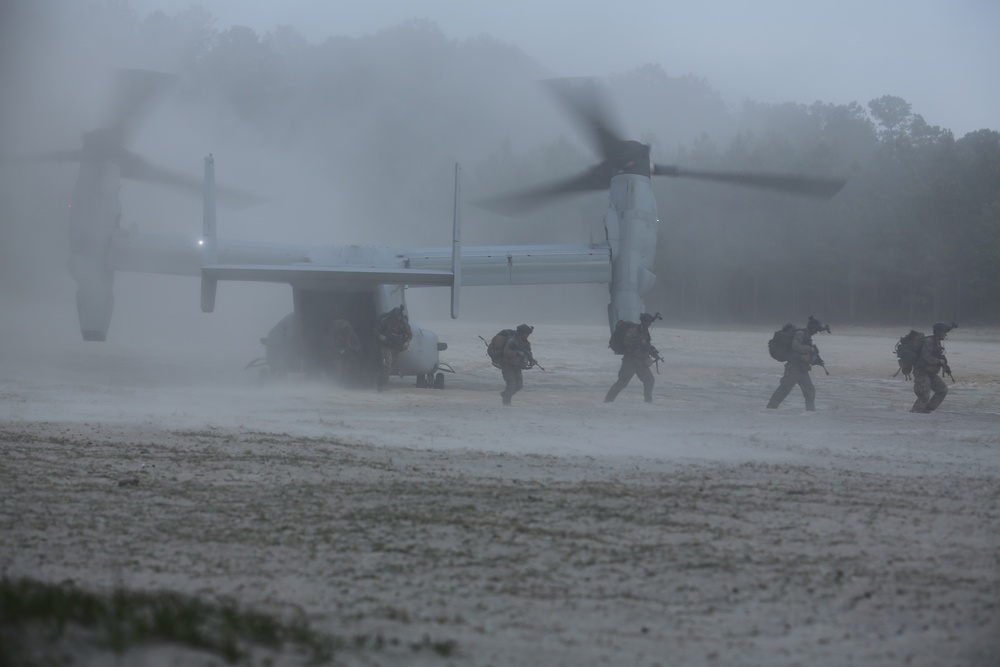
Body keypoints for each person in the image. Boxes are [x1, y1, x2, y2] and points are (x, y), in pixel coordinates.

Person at [766, 315, 825, 411]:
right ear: (811, 327)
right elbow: (795, 346)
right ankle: (769, 409)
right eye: (815, 330)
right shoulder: (800, 333)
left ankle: (810, 412)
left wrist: (815, 359)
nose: (816, 332)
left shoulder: (807, 337)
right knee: (784, 390)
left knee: (809, 391)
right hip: (793, 368)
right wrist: (809, 349)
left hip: (802, 369)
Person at [604, 312, 661, 404]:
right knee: (622, 383)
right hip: (630, 361)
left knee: (649, 380)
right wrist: (640, 343)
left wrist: (653, 351)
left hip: (640, 361)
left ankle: (648, 401)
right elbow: (626, 342)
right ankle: (608, 401)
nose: (650, 324)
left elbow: (646, 345)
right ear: (644, 322)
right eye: (648, 322)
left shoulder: (645, 332)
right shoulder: (634, 330)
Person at [911, 322, 955, 413]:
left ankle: (926, 412)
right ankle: (914, 414)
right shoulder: (929, 341)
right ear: (938, 332)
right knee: (924, 396)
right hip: (921, 372)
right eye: (944, 332)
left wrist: (944, 365)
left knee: (942, 390)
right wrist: (939, 361)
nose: (945, 334)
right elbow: (925, 357)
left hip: (930, 373)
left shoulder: (937, 342)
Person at [374, 305, 413, 391]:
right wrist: (380, 336)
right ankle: (381, 384)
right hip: (386, 344)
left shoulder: (403, 322)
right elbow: (376, 330)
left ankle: (383, 382)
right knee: (388, 362)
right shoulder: (386, 321)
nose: (398, 318)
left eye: (399, 316)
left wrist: (407, 342)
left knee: (391, 365)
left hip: (395, 346)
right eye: (397, 316)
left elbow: (410, 334)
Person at [499, 324, 536, 406]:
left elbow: (528, 352)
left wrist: (532, 360)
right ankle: (506, 403)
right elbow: (506, 352)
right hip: (507, 365)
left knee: (519, 385)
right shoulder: (512, 341)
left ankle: (505, 395)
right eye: (526, 334)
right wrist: (516, 353)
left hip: (517, 365)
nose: (527, 336)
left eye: (528, 334)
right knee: (511, 384)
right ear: (521, 333)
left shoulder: (526, 343)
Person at [324, 318, 361, 384]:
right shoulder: (333, 334)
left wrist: (351, 349)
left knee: (347, 370)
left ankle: (344, 384)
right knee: (338, 369)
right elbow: (330, 345)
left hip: (347, 354)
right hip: (335, 354)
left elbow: (357, 344)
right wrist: (339, 350)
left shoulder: (351, 334)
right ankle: (336, 384)